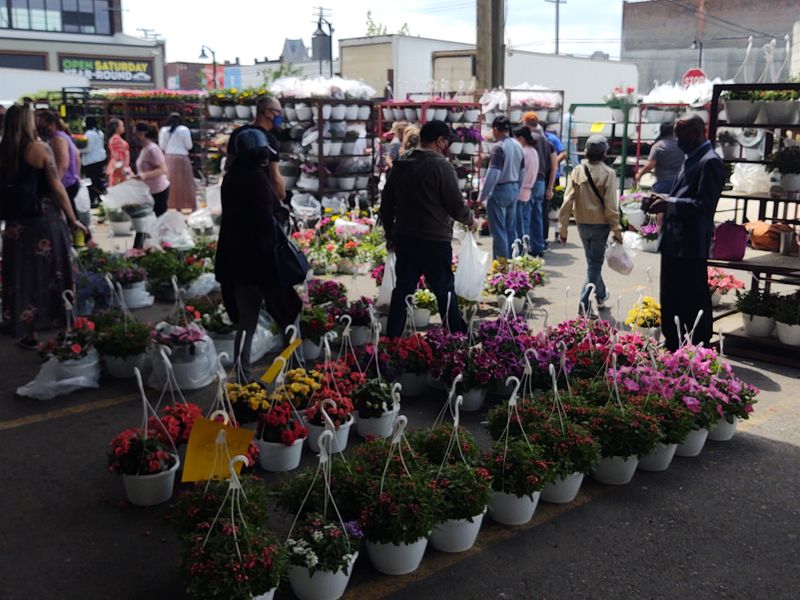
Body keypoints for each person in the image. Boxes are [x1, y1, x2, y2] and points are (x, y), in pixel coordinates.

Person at [215, 128, 301, 380]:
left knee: (247, 322)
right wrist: (280, 213)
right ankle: (296, 371)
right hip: (265, 262)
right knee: (288, 315)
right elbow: (266, 221)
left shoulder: (231, 178)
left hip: (237, 262)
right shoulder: (256, 179)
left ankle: (242, 375)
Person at [0, 104, 88, 347]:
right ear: (28, 122)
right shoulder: (39, 149)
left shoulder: (4, 150)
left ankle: (28, 332)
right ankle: (63, 329)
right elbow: (57, 187)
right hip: (44, 221)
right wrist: (72, 219)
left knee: (22, 276)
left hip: (16, 226)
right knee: (55, 273)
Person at [381, 120, 477, 337]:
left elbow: (386, 204)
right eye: (446, 141)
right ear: (439, 141)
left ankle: (392, 339)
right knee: (444, 291)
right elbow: (455, 204)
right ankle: (456, 337)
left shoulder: (401, 163)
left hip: (405, 237)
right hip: (434, 239)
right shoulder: (441, 166)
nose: (447, 146)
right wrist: (470, 220)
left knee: (402, 291)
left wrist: (390, 234)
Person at [642, 115, 724, 351]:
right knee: (671, 296)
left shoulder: (710, 162)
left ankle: (698, 346)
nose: (678, 141)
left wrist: (669, 204)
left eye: (682, 136)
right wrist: (663, 200)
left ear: (697, 134)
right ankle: (673, 342)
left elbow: (703, 205)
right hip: (674, 241)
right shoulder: (691, 157)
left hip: (690, 243)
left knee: (693, 296)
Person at [558, 135, 621, 316]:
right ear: (605, 153)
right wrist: (617, 230)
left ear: (586, 151)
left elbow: (567, 201)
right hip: (601, 225)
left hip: (582, 223)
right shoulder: (609, 173)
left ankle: (600, 294)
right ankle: (584, 303)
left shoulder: (577, 171)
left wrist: (563, 229)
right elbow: (610, 207)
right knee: (594, 264)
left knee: (592, 263)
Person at [226, 96, 286, 214]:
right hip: (260, 196)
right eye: (279, 112)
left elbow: (229, 165)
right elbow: (275, 176)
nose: (281, 116)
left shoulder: (238, 133)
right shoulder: (268, 139)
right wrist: (281, 196)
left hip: (235, 195)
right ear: (269, 113)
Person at [36, 110, 90, 238]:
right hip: (69, 183)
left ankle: (81, 244)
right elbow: (76, 155)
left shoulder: (57, 138)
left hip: (65, 185)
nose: (39, 128)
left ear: (52, 124)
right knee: (72, 218)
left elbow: (62, 164)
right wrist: (75, 175)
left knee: (69, 220)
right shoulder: (62, 136)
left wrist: (55, 184)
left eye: (41, 125)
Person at [478, 115, 525, 259]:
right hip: (513, 188)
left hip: (500, 190)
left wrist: (482, 197)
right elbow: (522, 171)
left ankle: (502, 267)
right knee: (510, 230)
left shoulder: (499, 147)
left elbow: (493, 174)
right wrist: (517, 189)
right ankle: (512, 264)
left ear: (496, 129)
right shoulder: (518, 145)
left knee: (498, 231)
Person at [523, 111, 558, 254]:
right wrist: (550, 187)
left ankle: (524, 246)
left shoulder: (529, 140)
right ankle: (538, 246)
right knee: (537, 214)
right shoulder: (547, 142)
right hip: (542, 182)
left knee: (525, 215)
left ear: (525, 123)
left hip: (529, 181)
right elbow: (554, 166)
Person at [634, 121, 685, 194]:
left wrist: (639, 174)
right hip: (681, 183)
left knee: (659, 204)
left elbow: (650, 165)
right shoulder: (683, 145)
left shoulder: (658, 146)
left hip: (663, 183)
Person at [159, 113, 196, 212]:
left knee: (170, 183)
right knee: (185, 183)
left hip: (169, 158)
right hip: (182, 158)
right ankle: (187, 205)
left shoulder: (163, 130)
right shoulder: (184, 129)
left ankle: (171, 205)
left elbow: (162, 146)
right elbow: (189, 146)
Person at [133, 122, 170, 216]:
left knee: (159, 220)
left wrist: (145, 175)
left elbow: (163, 169)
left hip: (158, 191)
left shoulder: (152, 149)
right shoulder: (145, 148)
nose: (134, 137)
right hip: (149, 191)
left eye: (135, 134)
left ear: (142, 134)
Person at [513, 126, 540, 245]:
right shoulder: (533, 151)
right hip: (528, 191)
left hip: (520, 191)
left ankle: (519, 253)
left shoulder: (523, 152)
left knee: (518, 226)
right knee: (525, 223)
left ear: (521, 139)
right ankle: (525, 250)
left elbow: (519, 173)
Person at [80, 117, 107, 207]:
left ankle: (93, 200)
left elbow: (87, 148)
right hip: (100, 159)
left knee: (91, 182)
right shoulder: (99, 133)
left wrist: (78, 149)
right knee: (98, 180)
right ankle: (101, 198)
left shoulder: (89, 134)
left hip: (91, 161)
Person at [106, 118, 131, 186]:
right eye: (122, 126)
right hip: (120, 170)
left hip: (121, 168)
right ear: (116, 128)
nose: (123, 128)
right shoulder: (116, 139)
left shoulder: (116, 138)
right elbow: (119, 157)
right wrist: (123, 172)